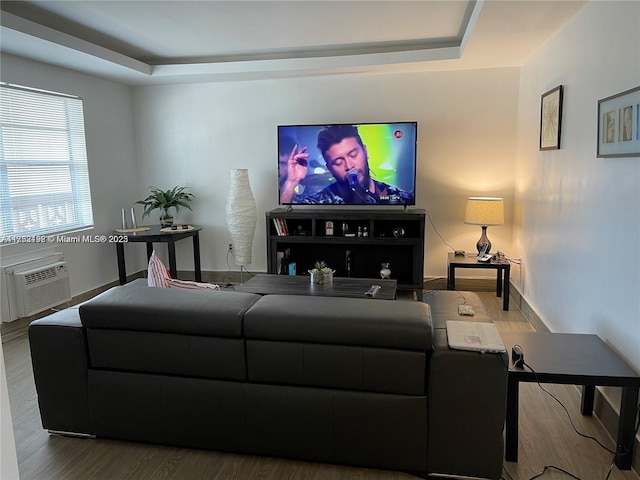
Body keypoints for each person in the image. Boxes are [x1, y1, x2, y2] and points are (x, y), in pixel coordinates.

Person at [280, 125, 413, 204]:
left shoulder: (399, 198)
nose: (349, 166)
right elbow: (284, 216)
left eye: (353, 155)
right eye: (338, 162)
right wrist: (291, 181)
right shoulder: (319, 201)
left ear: (365, 151)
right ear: (329, 168)